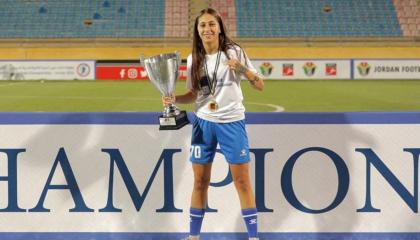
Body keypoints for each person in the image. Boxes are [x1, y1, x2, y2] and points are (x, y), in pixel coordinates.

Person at [163, 7, 264, 240]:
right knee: (200, 181)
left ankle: (253, 237)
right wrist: (174, 98)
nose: (207, 29)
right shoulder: (193, 60)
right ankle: (193, 236)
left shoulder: (234, 51)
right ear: (197, 31)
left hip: (232, 122)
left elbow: (260, 85)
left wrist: (241, 68)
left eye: (211, 24)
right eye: (202, 25)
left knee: (241, 180)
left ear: (219, 28)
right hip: (203, 123)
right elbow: (194, 94)